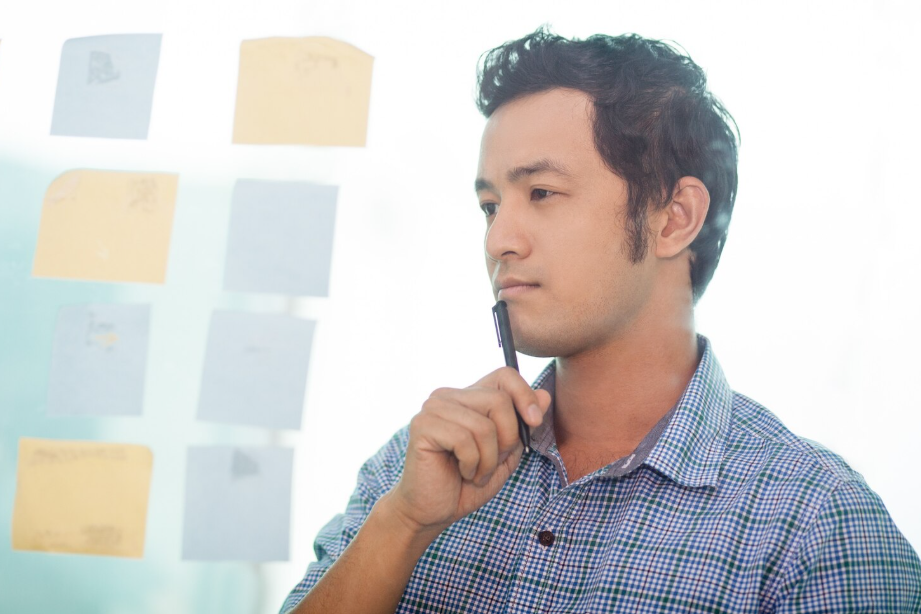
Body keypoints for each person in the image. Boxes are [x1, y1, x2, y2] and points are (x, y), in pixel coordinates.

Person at [281, 27, 921, 613]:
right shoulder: (415, 468)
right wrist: (403, 524)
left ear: (673, 217)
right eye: (489, 205)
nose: (499, 237)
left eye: (542, 193)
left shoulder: (816, 525)